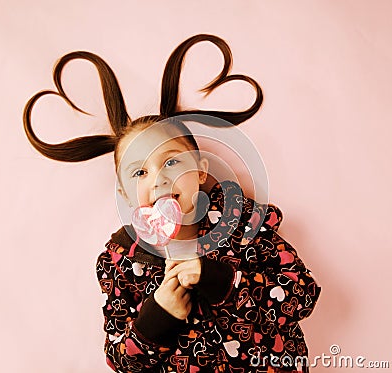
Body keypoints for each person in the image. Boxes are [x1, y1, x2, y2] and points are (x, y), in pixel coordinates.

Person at [23, 34, 321, 373]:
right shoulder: (120, 262)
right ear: (124, 194)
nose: (159, 179)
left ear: (201, 169)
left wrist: (219, 280)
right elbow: (121, 361)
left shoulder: (244, 225)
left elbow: (303, 295)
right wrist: (158, 316)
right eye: (139, 172)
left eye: (171, 162)